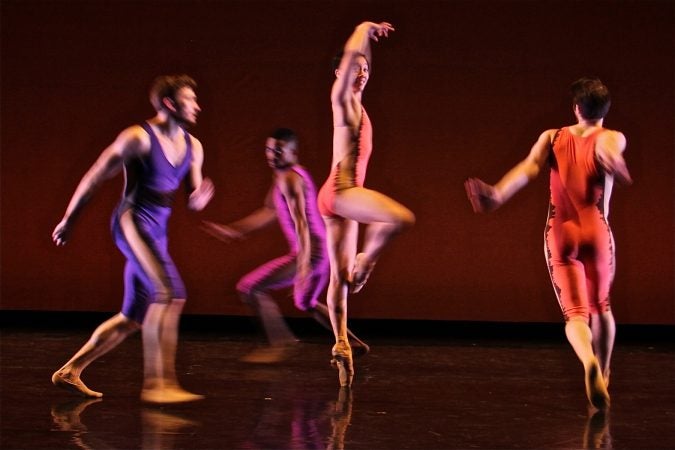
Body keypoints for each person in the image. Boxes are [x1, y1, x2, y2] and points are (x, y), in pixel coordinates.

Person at [464, 77, 632, 410]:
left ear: (576, 108)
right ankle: (605, 369)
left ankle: (588, 362)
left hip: (560, 232)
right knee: (602, 307)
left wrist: (496, 194)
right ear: (605, 110)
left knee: (575, 316)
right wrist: (619, 167)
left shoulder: (552, 137)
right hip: (597, 231)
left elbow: (528, 169)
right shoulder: (612, 137)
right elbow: (610, 152)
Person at [51, 74, 215, 404]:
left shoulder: (193, 146)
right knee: (169, 293)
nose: (197, 106)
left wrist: (200, 198)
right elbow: (95, 176)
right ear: (170, 104)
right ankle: (158, 384)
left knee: (132, 318)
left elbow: (192, 193)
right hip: (132, 222)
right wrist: (69, 220)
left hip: (158, 232)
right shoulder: (137, 138)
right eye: (189, 100)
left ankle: (70, 371)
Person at [202, 128, 369, 363]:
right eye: (269, 149)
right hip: (314, 251)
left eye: (278, 150)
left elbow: (301, 222)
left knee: (250, 288)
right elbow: (270, 211)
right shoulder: (283, 177)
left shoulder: (291, 178)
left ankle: (281, 343)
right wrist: (235, 230)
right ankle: (352, 342)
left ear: (293, 152)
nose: (271, 154)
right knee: (306, 302)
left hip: (311, 252)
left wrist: (303, 265)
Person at [317, 22, 415, 387]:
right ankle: (366, 263)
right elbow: (351, 56)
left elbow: (360, 59)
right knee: (399, 218)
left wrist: (366, 48)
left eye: (366, 69)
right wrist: (363, 28)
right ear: (339, 73)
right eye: (354, 68)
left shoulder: (358, 104)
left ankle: (341, 341)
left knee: (339, 279)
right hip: (342, 191)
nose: (361, 72)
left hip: (338, 197)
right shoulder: (341, 100)